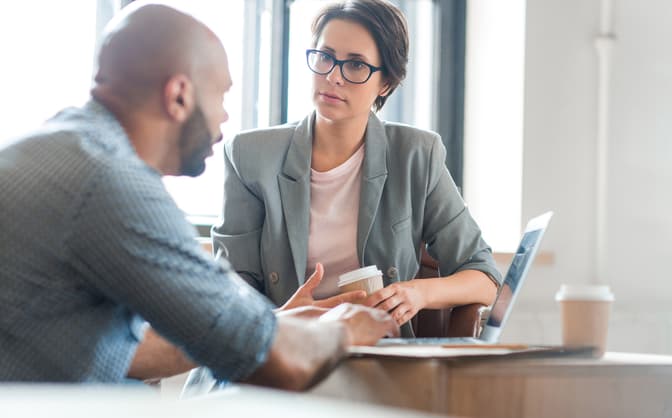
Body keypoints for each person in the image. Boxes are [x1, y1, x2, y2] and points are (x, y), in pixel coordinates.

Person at [0, 2, 398, 388]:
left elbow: (131, 350)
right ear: (179, 96)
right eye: (221, 96)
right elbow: (276, 364)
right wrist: (346, 330)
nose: (225, 119)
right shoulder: (112, 184)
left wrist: (272, 324)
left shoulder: (57, 147)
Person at [213, 0, 502, 337]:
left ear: (386, 84)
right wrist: (282, 318)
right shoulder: (250, 156)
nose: (333, 76)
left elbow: (485, 278)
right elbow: (228, 292)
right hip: (279, 350)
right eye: (324, 57)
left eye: (355, 65)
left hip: (378, 357)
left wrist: (418, 293)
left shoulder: (416, 155)